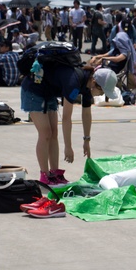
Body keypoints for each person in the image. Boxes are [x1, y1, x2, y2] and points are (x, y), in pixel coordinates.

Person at [21, 58, 119, 186]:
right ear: (94, 82)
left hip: (48, 92)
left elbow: (86, 114)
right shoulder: (74, 82)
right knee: (45, 133)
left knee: (53, 132)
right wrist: (68, 147)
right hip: (33, 90)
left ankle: (55, 173)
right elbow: (66, 117)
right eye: (101, 91)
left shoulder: (87, 85)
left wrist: (86, 141)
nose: (100, 95)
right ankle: (44, 175)